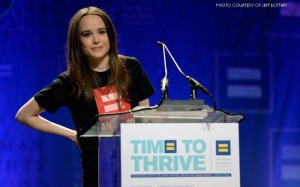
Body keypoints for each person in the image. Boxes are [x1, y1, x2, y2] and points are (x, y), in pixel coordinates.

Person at [15, 6, 155, 187]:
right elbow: (24, 115)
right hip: (98, 176)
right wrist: (73, 135)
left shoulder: (131, 67)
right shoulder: (69, 81)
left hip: (136, 170)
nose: (96, 40)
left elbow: (145, 114)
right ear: (77, 42)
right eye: (87, 34)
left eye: (101, 32)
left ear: (110, 35)